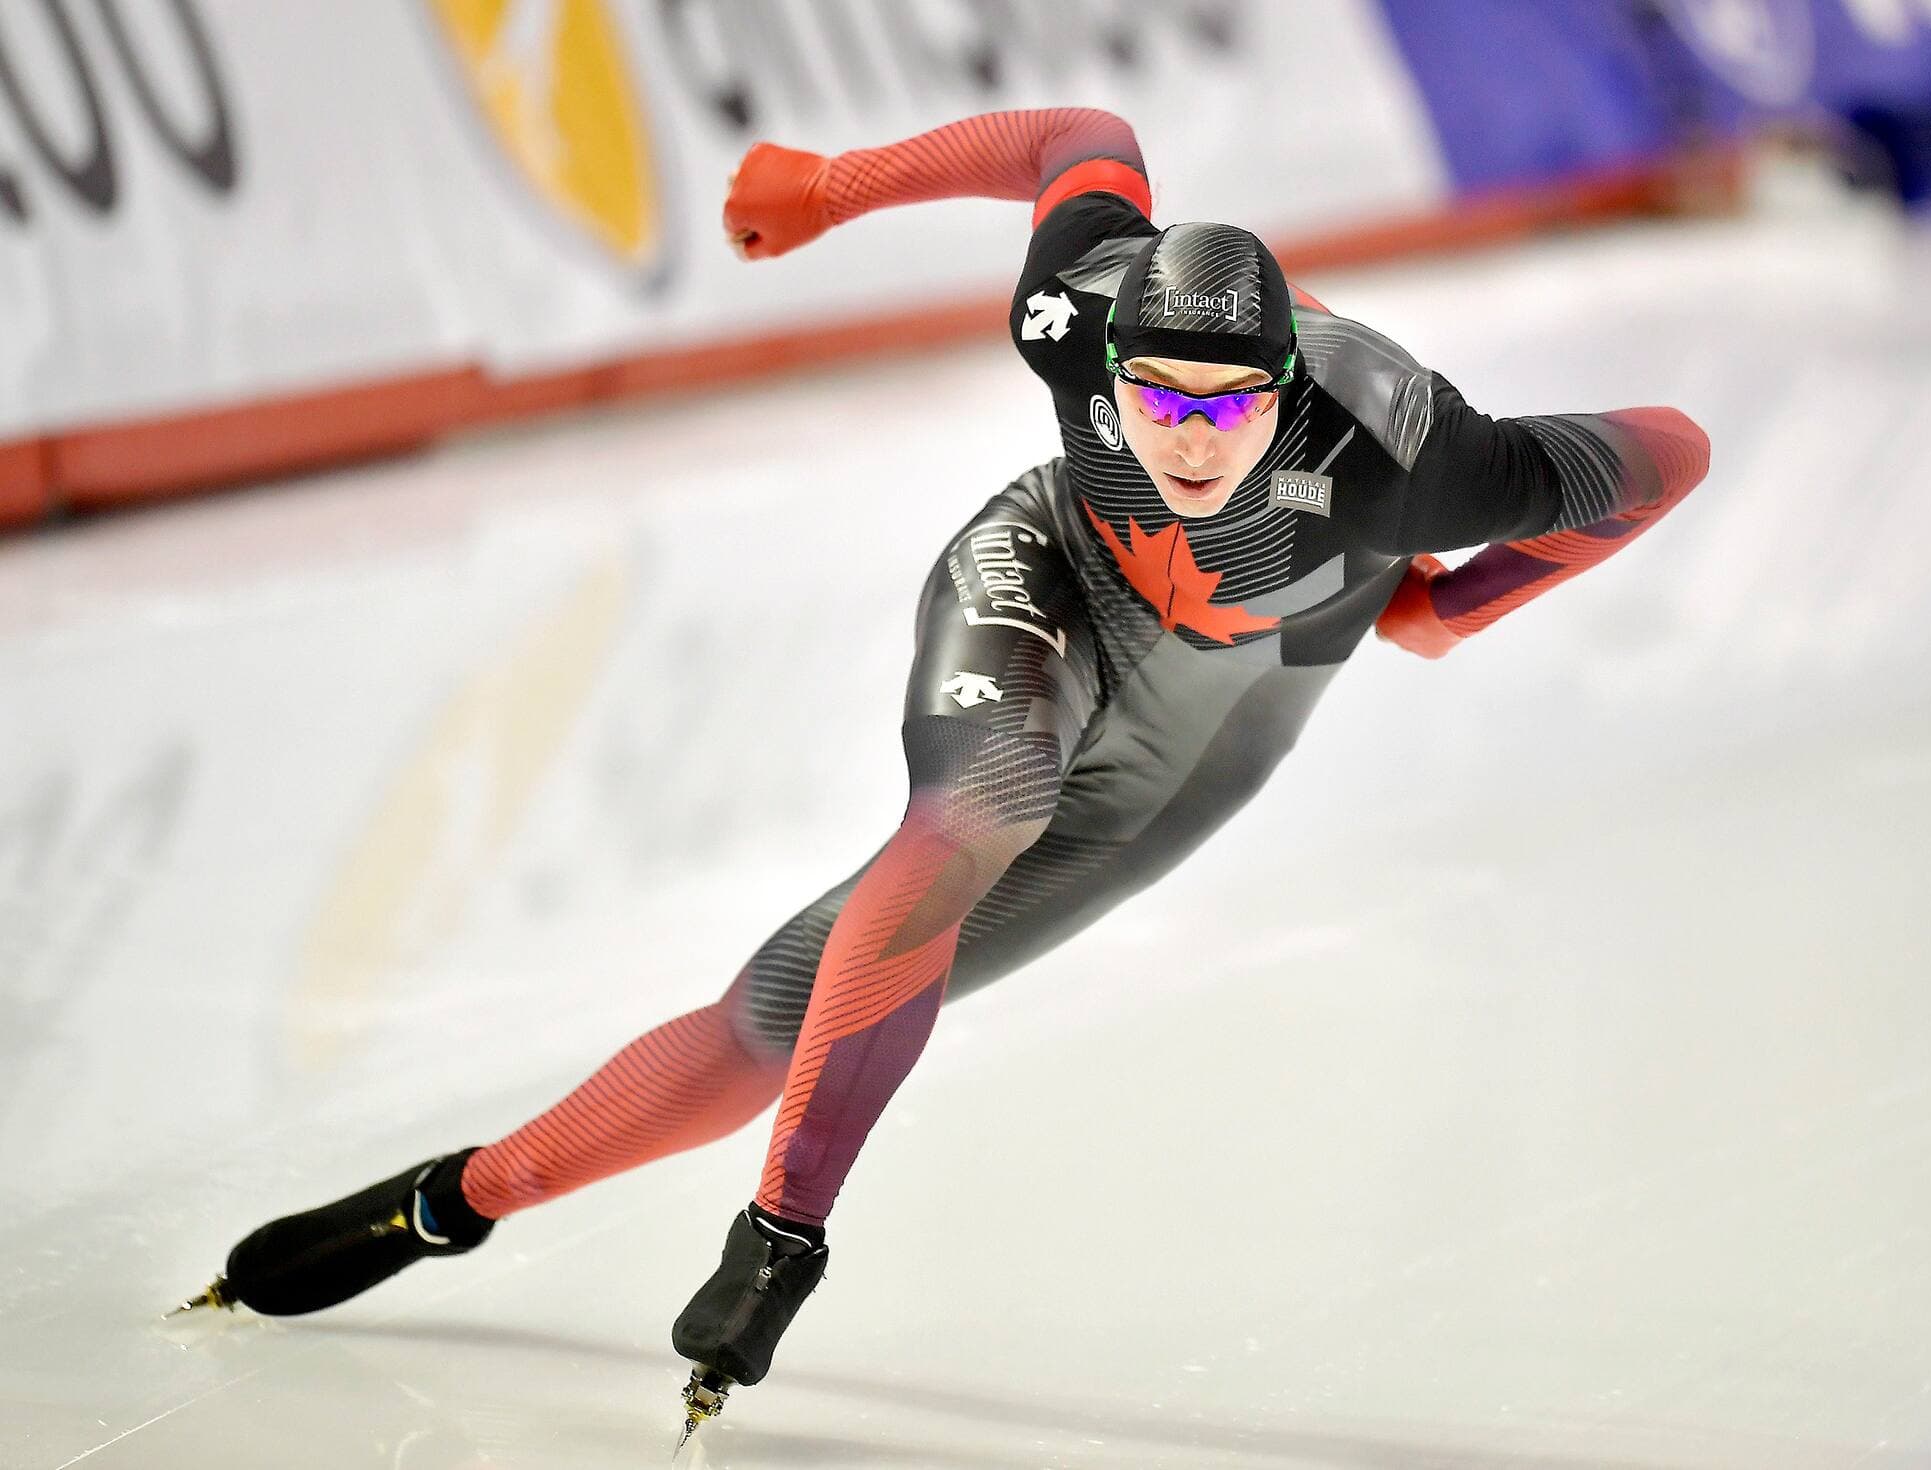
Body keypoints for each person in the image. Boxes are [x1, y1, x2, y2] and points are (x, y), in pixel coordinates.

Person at [179, 108, 1710, 1422]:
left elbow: (1670, 452)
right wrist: (832, 185)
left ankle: (530, 1193)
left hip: (1224, 709)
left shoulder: (1413, 458)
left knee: (791, 1017)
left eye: (1227, 407)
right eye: (1155, 399)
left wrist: (1453, 605)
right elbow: (1075, 140)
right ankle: (630, 1219)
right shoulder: (1070, 308)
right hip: (1051, 567)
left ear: (1285, 390)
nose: (1187, 438)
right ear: (1103, 366)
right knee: (954, 825)